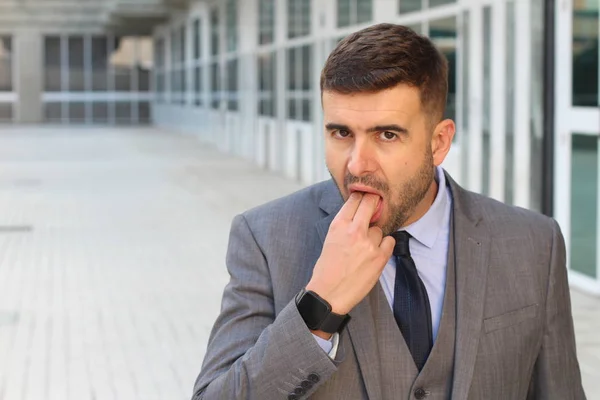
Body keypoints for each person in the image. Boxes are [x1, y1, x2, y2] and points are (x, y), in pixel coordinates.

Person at [191, 23, 586, 400]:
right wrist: (319, 306)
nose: (358, 164)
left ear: (439, 141)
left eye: (387, 134)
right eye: (341, 133)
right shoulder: (264, 237)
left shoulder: (534, 243)